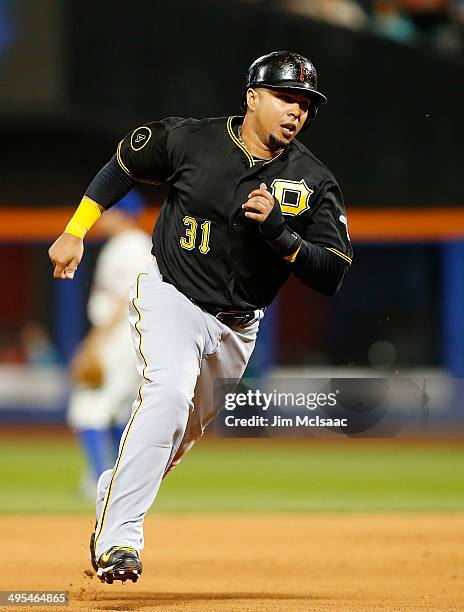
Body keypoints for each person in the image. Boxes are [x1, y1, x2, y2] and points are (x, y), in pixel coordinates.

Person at [48, 50, 353, 584]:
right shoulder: (191, 140)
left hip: (239, 326)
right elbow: (122, 164)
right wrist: (76, 229)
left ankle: (115, 494)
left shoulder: (312, 180)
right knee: (166, 395)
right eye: (285, 97)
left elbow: (332, 272)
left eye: (304, 103)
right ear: (253, 97)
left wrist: (281, 235)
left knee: (176, 438)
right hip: (172, 295)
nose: (295, 111)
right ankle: (119, 541)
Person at [67, 191, 152, 498]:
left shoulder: (128, 247)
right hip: (132, 335)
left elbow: (120, 300)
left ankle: (98, 480)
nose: (101, 218)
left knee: (87, 407)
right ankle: (119, 480)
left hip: (117, 335)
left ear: (121, 214)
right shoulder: (138, 245)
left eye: (106, 212)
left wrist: (94, 342)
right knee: (118, 410)